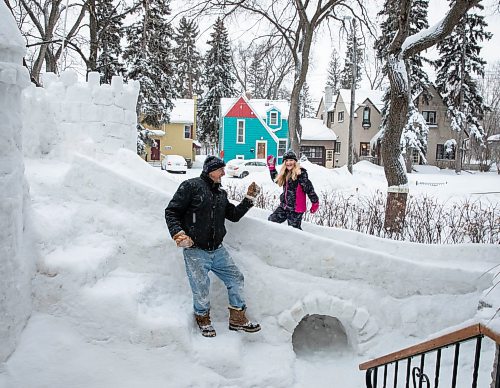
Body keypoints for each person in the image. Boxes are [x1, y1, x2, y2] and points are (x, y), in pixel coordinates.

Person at [165, 155, 261, 338]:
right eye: (220, 169)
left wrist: (248, 199)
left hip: (217, 249)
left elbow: (233, 215)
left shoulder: (220, 194)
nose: (224, 173)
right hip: (195, 249)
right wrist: (178, 233)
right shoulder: (191, 186)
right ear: (210, 170)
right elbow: (172, 211)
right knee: (200, 286)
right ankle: (203, 318)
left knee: (236, 278)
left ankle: (237, 318)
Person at [266, 150, 319, 230]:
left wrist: (315, 202)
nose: (288, 162)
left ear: (295, 161)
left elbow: (309, 189)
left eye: (291, 160)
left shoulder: (301, 174)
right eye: (286, 160)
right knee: (271, 221)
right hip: (284, 207)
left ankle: (301, 242)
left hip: (296, 209)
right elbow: (277, 180)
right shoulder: (285, 173)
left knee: (294, 230)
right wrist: (271, 168)